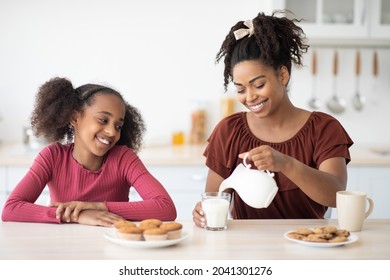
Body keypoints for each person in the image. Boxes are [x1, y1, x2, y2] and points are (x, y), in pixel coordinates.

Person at [193, 11, 353, 227]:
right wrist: (203, 212)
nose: (250, 97)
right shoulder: (228, 130)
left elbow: (336, 195)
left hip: (309, 243)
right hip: (247, 249)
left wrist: (285, 163)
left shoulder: (323, 128)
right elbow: (215, 197)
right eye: (240, 89)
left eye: (258, 85)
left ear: (283, 75)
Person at [2, 77, 177, 226]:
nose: (112, 132)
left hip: (114, 246)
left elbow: (166, 208)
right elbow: (11, 209)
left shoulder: (123, 158)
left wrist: (99, 206)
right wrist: (78, 215)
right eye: (103, 120)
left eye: (118, 126)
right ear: (74, 117)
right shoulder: (52, 157)